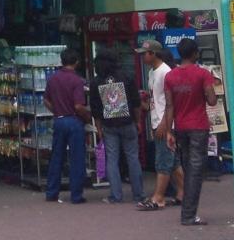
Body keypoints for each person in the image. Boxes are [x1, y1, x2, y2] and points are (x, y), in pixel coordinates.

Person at [163, 37, 218, 226]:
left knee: (187, 168)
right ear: (195, 53)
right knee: (195, 171)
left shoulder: (170, 76)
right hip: (198, 127)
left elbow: (169, 106)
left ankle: (187, 212)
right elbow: (212, 100)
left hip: (180, 127)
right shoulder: (203, 74)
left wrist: (169, 131)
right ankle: (188, 215)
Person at [90, 51, 144, 204]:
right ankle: (139, 194)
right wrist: (138, 121)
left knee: (112, 160)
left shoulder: (96, 82)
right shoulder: (126, 77)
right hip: (128, 122)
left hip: (108, 125)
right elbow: (136, 102)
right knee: (132, 158)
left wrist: (99, 128)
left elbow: (95, 110)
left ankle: (116, 195)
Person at [136, 39, 184, 212]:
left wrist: (165, 124)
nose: (142, 57)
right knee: (173, 161)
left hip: (165, 123)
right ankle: (183, 193)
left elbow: (172, 102)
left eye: (145, 54)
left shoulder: (166, 72)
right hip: (158, 120)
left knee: (163, 160)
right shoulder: (152, 73)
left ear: (154, 54)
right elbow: (156, 100)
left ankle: (158, 197)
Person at [42, 46, 90, 204]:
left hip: (59, 119)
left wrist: (56, 111)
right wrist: (87, 116)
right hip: (74, 121)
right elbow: (78, 106)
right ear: (76, 62)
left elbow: (46, 100)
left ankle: (52, 192)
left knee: (56, 157)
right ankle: (76, 195)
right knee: (77, 158)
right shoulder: (77, 80)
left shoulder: (53, 78)